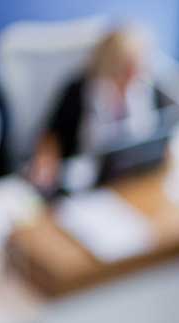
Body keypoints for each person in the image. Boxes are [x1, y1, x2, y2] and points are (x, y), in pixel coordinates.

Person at [27, 27, 163, 197]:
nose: (131, 75)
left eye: (135, 67)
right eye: (124, 68)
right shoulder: (79, 89)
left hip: (129, 178)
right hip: (82, 178)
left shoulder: (147, 90)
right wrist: (45, 163)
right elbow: (51, 135)